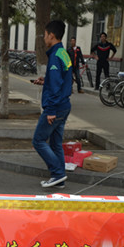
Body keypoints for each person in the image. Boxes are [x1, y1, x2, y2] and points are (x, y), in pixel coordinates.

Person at [31, 20, 72, 188]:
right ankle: (59, 179)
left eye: (45, 35)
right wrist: (46, 80)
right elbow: (62, 79)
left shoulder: (55, 56)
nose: (44, 38)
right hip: (64, 105)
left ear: (52, 35)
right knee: (55, 144)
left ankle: (58, 173)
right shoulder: (63, 53)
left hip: (56, 107)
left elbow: (56, 85)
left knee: (38, 141)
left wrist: (51, 110)